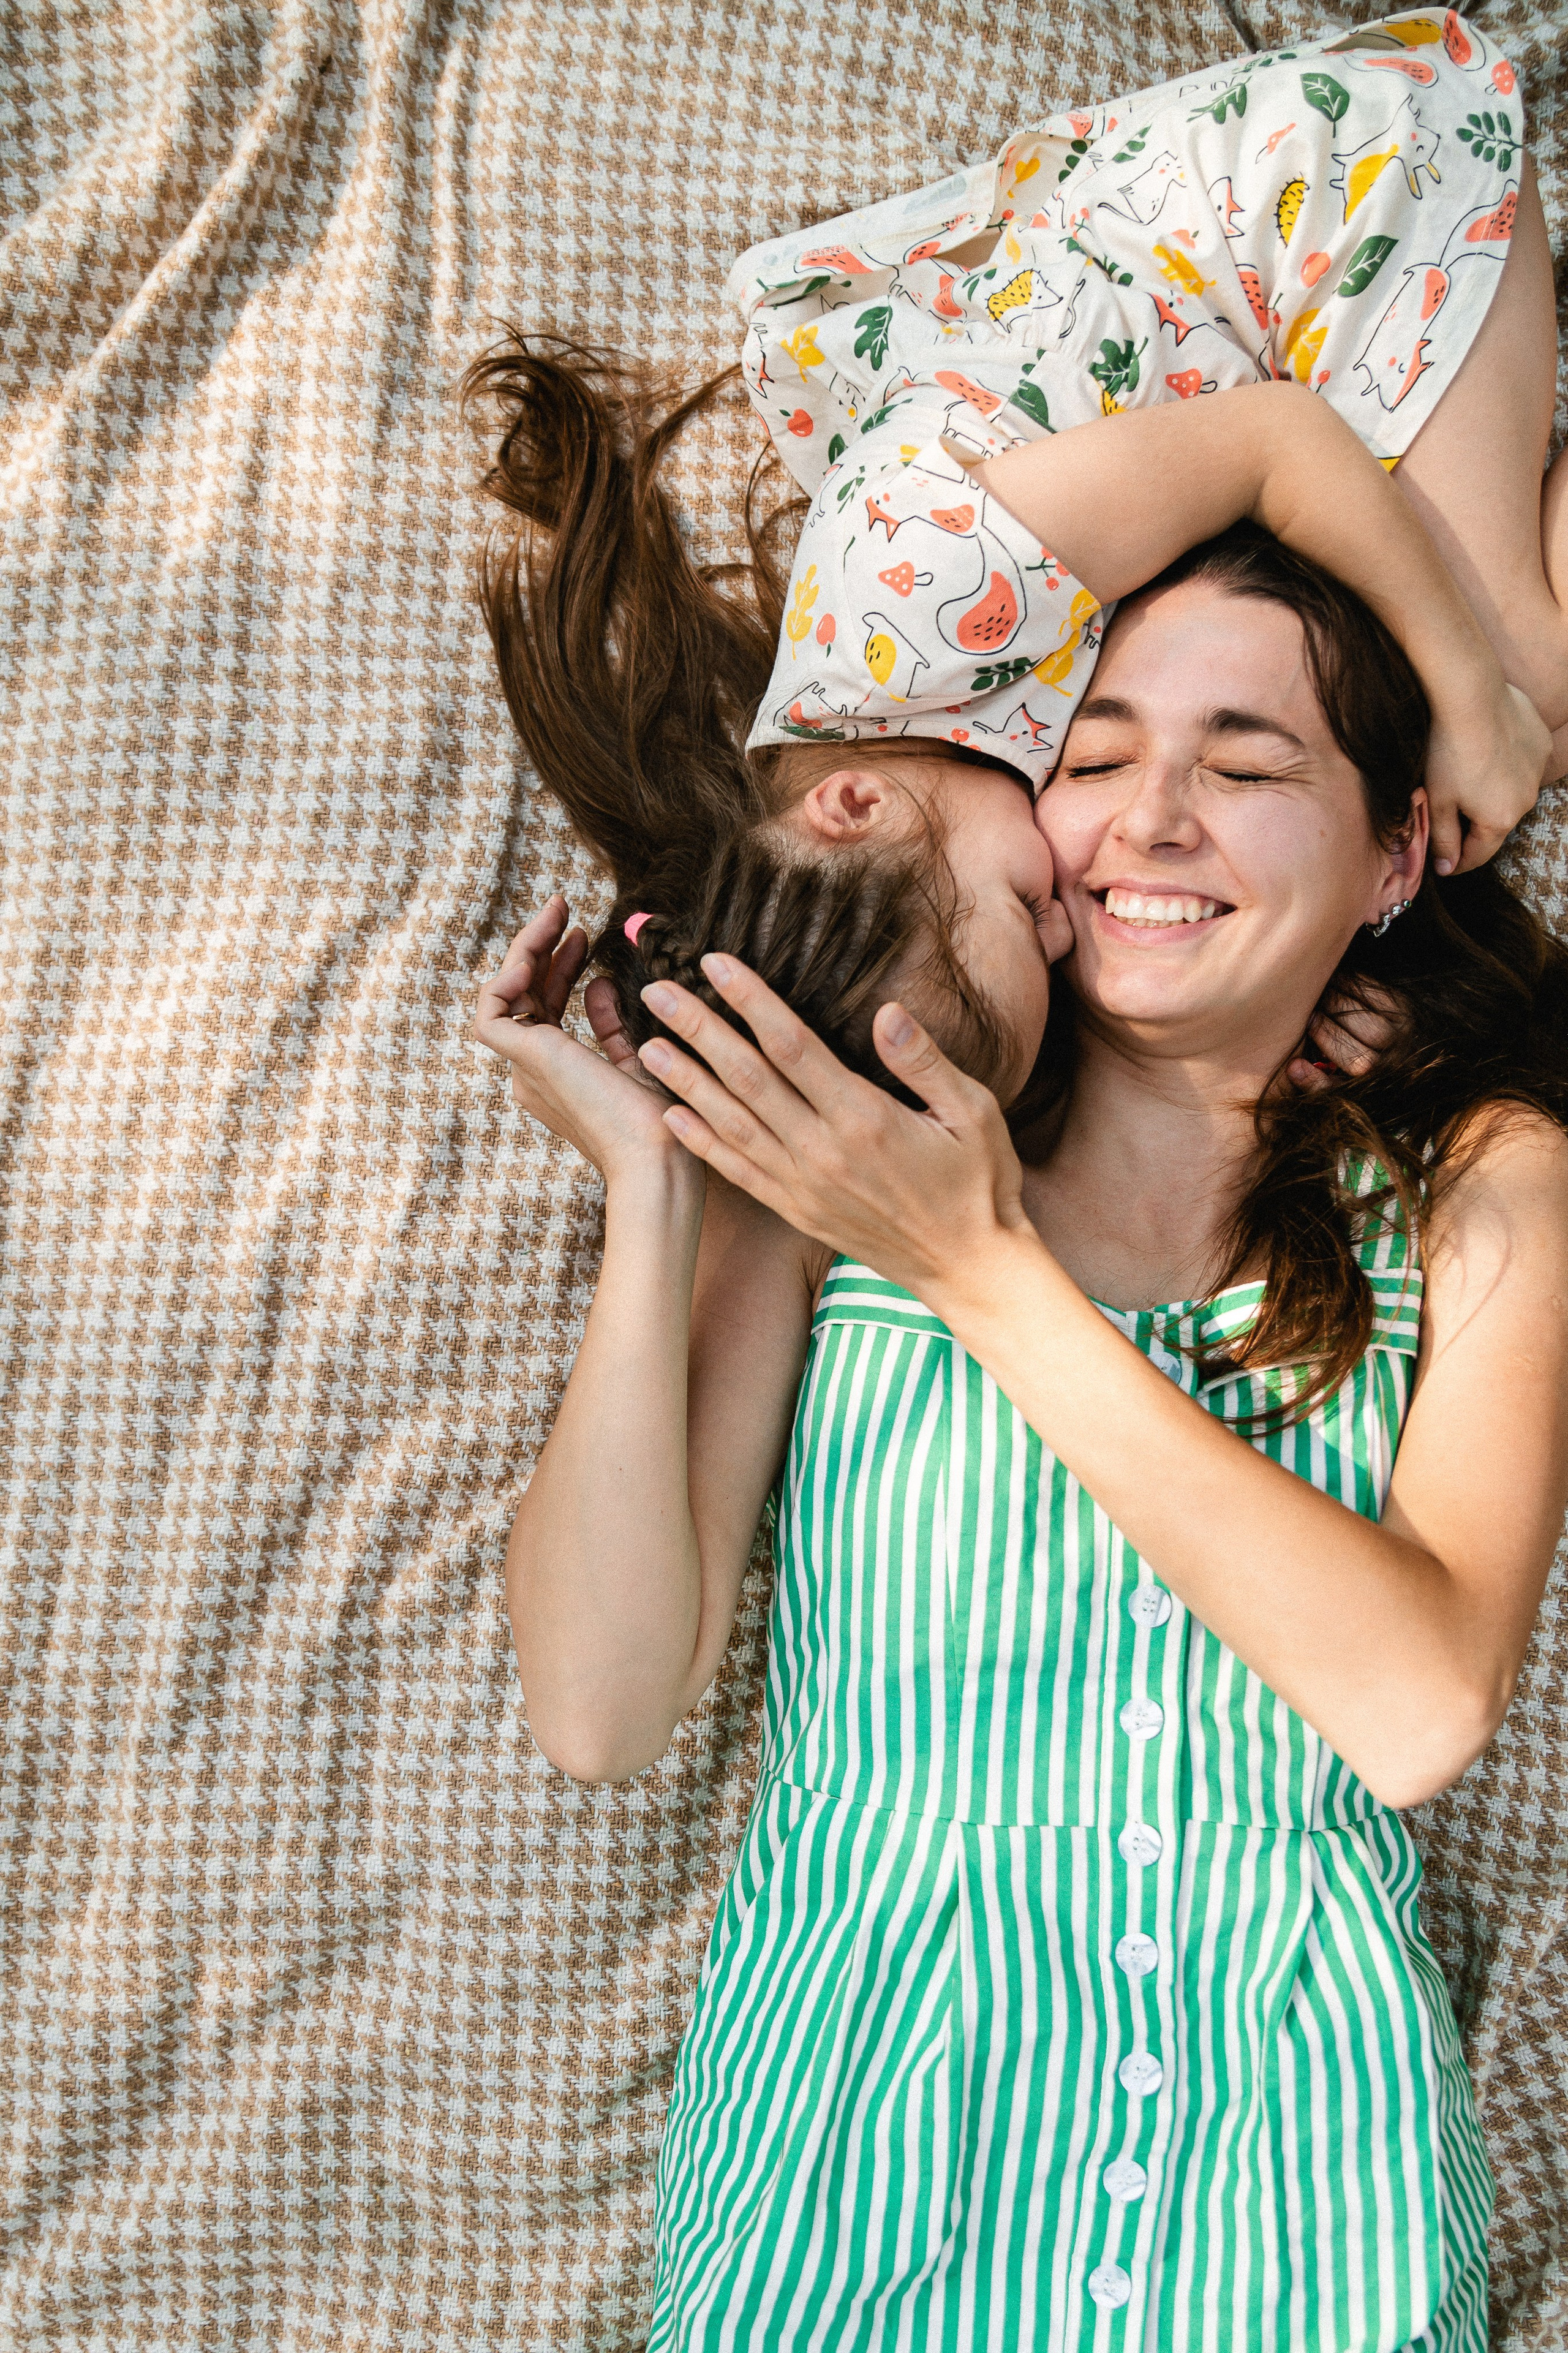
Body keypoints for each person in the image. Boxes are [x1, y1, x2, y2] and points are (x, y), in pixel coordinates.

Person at [468, 14, 1568, 2344]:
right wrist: (660, 1199)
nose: (1142, 831)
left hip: (1297, 2202)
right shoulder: (847, 1161)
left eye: (1248, 760)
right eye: (1093, 755)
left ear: (1390, 862)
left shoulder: (1482, 1194)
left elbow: (1414, 1705)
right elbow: (596, 1705)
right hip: (853, 2180)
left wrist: (984, 1274)